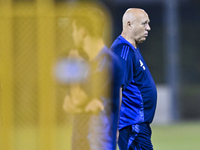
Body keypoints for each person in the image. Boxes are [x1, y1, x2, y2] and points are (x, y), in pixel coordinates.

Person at [63, 7, 122, 150]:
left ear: (82, 31)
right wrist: (85, 106)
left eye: (74, 30)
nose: (73, 35)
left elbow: (76, 100)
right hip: (82, 142)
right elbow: (67, 104)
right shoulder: (87, 63)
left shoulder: (107, 62)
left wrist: (74, 67)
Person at [110, 8, 157, 150]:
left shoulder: (131, 48)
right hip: (131, 125)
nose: (148, 28)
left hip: (137, 125)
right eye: (144, 23)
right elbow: (115, 89)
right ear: (129, 24)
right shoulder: (123, 50)